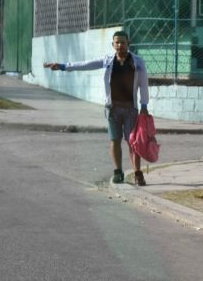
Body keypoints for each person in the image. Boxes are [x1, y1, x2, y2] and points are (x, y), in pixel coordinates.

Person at [44, 30, 150, 185]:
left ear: (129, 44)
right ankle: (118, 172)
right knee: (115, 140)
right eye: (117, 42)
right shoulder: (108, 60)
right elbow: (86, 64)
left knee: (132, 142)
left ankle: (137, 173)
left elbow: (144, 84)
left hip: (130, 109)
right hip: (112, 109)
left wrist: (144, 105)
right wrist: (63, 66)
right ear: (113, 44)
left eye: (123, 42)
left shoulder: (138, 62)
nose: (120, 45)